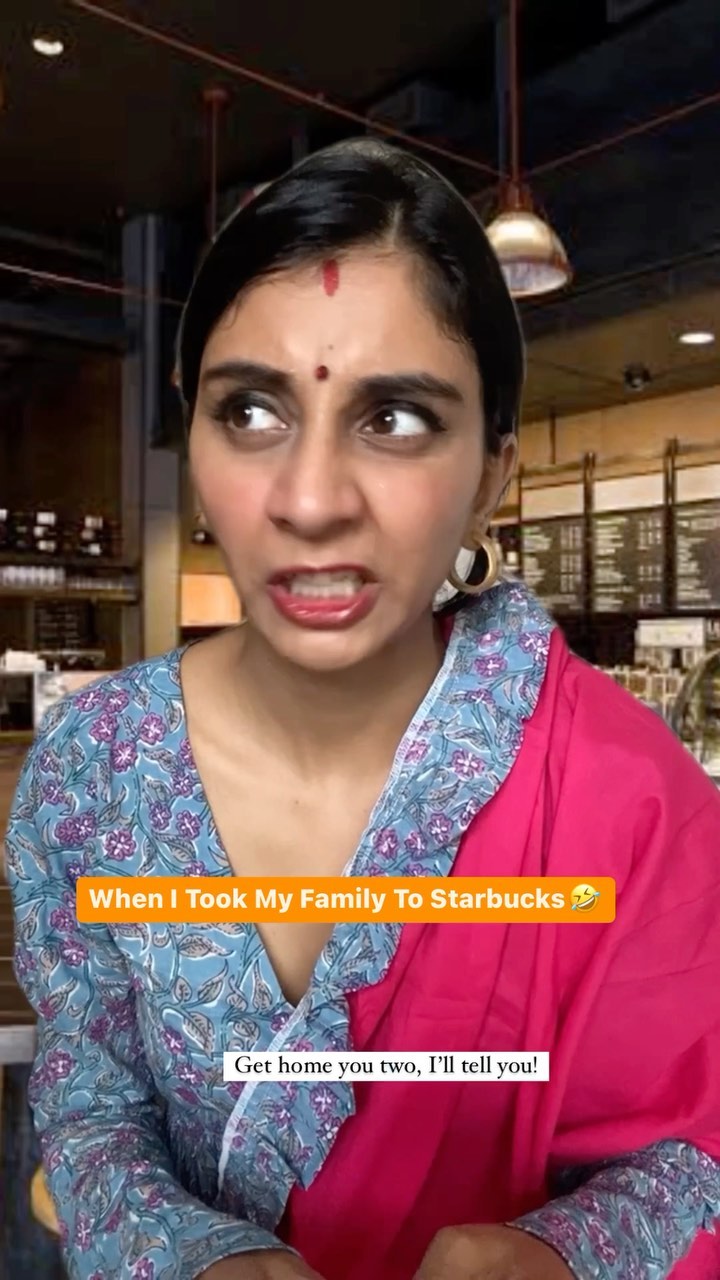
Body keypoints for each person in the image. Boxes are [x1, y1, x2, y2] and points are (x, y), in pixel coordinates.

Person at [5, 138, 720, 1280]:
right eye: (251, 410)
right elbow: (91, 1107)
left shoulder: (632, 795)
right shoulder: (93, 767)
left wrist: (564, 1252)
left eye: (395, 418)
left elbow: (689, 1154)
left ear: (492, 471)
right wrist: (187, 1252)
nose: (310, 500)